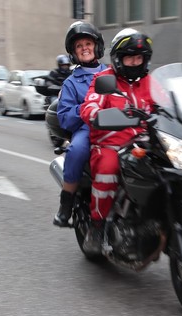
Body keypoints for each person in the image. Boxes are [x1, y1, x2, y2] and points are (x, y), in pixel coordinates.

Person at [79, 28, 155, 253]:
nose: (134, 62)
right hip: (111, 144)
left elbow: (169, 103)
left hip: (145, 143)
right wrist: (95, 114)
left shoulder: (151, 82)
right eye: (129, 57)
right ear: (118, 59)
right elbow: (90, 103)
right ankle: (97, 226)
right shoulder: (104, 79)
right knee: (108, 169)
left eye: (138, 57)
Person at [52, 21, 108, 227]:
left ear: (97, 46)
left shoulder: (113, 73)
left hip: (118, 126)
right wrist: (87, 108)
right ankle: (66, 204)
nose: (84, 48)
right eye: (79, 45)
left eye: (88, 43)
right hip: (89, 129)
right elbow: (65, 116)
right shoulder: (71, 82)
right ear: (74, 53)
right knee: (75, 150)